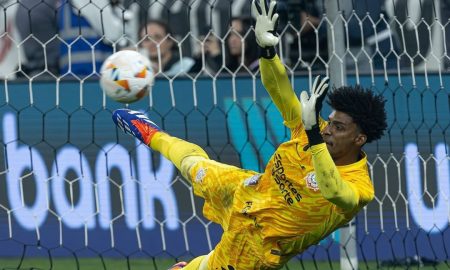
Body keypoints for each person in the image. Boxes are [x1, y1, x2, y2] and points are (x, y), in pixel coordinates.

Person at [112, 0, 387, 268]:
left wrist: (314, 135)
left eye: (338, 128)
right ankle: (150, 133)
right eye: (328, 122)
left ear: (359, 139)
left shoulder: (359, 187)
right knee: (194, 164)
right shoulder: (310, 129)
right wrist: (267, 51)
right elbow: (279, 88)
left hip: (258, 244)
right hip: (247, 189)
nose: (327, 130)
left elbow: (334, 191)